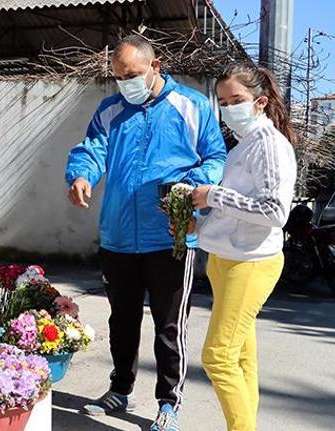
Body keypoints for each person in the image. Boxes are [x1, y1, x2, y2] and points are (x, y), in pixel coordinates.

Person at [65, 35, 227, 431]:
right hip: (118, 235)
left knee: (169, 327)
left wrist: (192, 186)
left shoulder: (192, 106)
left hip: (170, 237)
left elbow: (216, 157)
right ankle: (120, 389)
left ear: (156, 66)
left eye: (133, 74)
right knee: (121, 319)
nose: (126, 83)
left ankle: (169, 402)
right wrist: (82, 175)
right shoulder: (109, 109)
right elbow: (92, 149)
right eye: (119, 76)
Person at [192, 64, 296, 431]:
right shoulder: (244, 145)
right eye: (223, 101)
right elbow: (234, 210)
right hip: (226, 259)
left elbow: (275, 211)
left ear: (260, 102)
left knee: (217, 357)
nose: (229, 107)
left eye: (237, 100)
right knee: (240, 357)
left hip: (250, 263)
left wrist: (213, 195)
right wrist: (199, 221)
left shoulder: (270, 146)